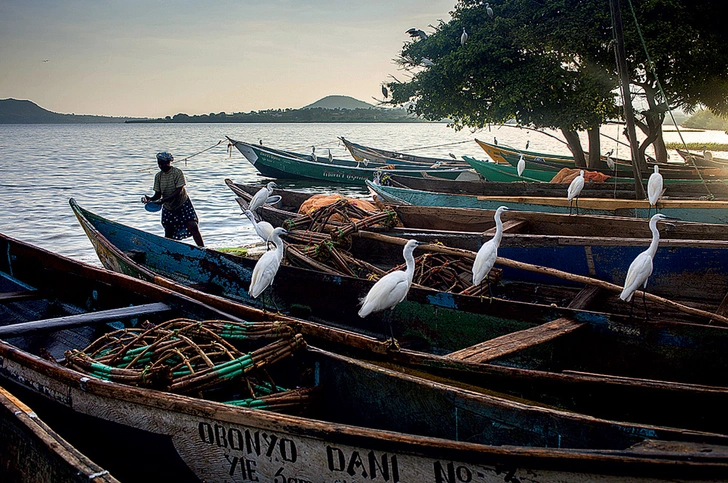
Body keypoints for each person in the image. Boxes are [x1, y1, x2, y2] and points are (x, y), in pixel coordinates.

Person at [142, 152, 204, 246]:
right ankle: (169, 251)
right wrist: (150, 199)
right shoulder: (158, 176)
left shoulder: (177, 172)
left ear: (169, 162)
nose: (161, 165)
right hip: (168, 206)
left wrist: (164, 200)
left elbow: (178, 190)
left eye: (164, 163)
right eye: (159, 163)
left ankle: (202, 249)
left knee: (193, 226)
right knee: (169, 232)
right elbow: (158, 195)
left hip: (182, 203)